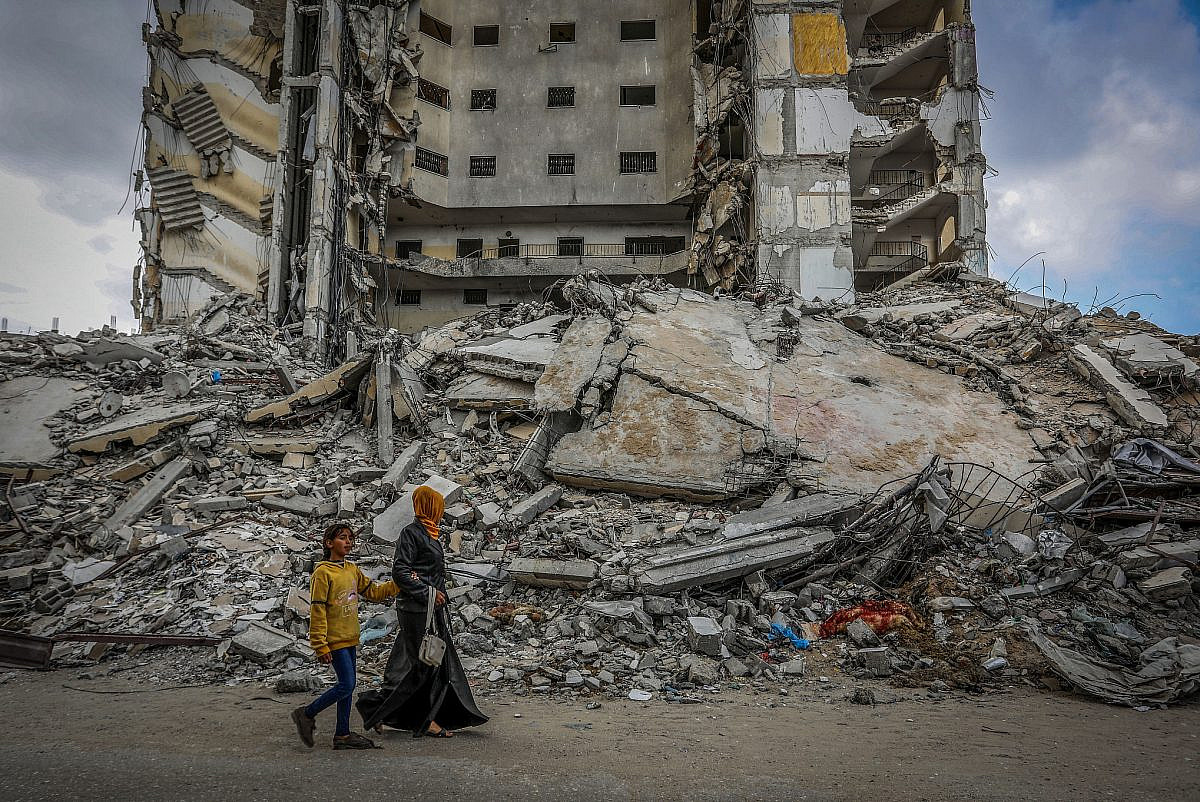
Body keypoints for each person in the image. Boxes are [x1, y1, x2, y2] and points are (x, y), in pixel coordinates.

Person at [356, 485, 488, 738]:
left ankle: (377, 708)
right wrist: (427, 590)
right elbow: (401, 572)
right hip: (416, 609)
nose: (442, 511)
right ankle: (425, 720)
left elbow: (424, 570)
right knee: (425, 664)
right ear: (429, 507)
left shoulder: (430, 533)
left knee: (421, 663)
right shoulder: (412, 534)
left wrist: (436, 593)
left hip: (429, 608)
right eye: (439, 507)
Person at [291, 523, 399, 750]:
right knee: (347, 685)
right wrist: (320, 645)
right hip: (334, 639)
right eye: (342, 538)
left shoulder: (351, 569)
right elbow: (317, 610)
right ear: (329, 543)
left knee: (347, 686)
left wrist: (398, 584)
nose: (348, 542)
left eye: (350, 538)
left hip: (350, 637)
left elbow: (374, 592)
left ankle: (342, 735)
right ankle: (307, 713)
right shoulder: (322, 573)